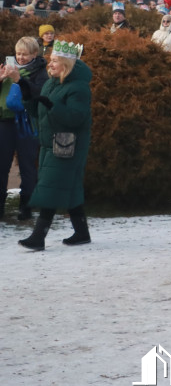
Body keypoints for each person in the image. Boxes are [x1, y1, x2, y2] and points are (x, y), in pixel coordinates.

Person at [17, 40, 92, 250]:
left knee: (50, 187)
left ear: (66, 64)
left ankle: (38, 237)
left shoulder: (78, 88)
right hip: (50, 144)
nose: (50, 64)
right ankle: (81, 232)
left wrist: (51, 104)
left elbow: (76, 118)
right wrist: (26, 91)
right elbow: (37, 112)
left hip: (68, 145)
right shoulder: (51, 83)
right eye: (50, 60)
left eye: (55, 61)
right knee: (70, 187)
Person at [1, 37, 47, 221]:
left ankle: (25, 207)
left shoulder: (40, 72)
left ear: (34, 54)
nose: (20, 58)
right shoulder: (7, 66)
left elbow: (38, 94)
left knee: (27, 166)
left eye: (25, 54)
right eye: (18, 53)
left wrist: (19, 80)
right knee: (2, 165)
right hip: (5, 121)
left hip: (27, 122)